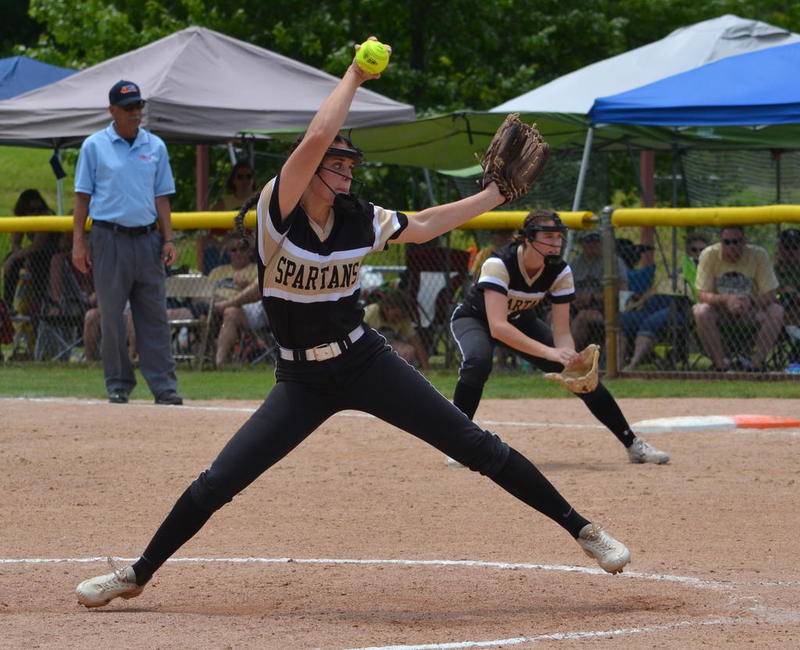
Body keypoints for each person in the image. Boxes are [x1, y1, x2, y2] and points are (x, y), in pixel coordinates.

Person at [75, 39, 631, 609]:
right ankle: (138, 573)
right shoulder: (276, 216)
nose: (344, 172)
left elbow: (427, 224)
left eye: (348, 166)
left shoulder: (360, 220)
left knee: (474, 445)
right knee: (220, 481)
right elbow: (316, 137)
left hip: (364, 361)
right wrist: (354, 76)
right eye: (334, 165)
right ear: (307, 171)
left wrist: (492, 193)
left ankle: (584, 529)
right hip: (300, 382)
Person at [450, 209, 670, 466]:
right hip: (476, 320)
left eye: (558, 237)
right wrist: (549, 352)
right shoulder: (499, 263)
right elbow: (498, 327)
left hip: (522, 321)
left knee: (580, 375)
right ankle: (457, 443)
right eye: (548, 236)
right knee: (478, 362)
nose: (556, 243)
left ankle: (633, 444)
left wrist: (568, 355)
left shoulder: (559, 271)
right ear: (528, 238)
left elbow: (563, 331)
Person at [71, 80, 182, 405]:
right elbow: (82, 198)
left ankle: (164, 386)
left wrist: (168, 238)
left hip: (148, 239)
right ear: (112, 111)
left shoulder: (155, 146)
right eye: (129, 108)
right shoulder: (94, 146)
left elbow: (162, 197)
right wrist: (79, 242)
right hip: (109, 238)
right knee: (111, 316)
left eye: (139, 107)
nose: (136, 114)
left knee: (155, 316)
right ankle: (118, 383)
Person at [692, 226, 784, 372]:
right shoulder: (709, 254)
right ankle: (721, 366)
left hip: (751, 312)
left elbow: (771, 293)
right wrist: (726, 299)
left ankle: (755, 366)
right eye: (726, 242)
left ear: (744, 241)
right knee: (700, 310)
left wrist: (751, 301)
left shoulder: (758, 254)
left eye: (736, 241)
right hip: (720, 311)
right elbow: (702, 294)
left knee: (777, 310)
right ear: (720, 242)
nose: (732, 246)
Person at [621, 234, 707, 372]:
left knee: (651, 322)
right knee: (624, 320)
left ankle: (632, 365)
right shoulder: (679, 264)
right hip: (655, 302)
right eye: (693, 250)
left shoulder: (707, 269)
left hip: (679, 305)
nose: (697, 254)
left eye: (701, 250)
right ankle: (615, 367)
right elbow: (656, 287)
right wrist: (639, 302)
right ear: (688, 251)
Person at [569, 230, 628, 351]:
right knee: (553, 316)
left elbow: (622, 291)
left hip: (605, 309)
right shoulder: (575, 264)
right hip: (577, 306)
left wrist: (594, 297)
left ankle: (567, 359)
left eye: (596, 240)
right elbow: (565, 290)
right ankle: (548, 356)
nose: (592, 244)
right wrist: (575, 299)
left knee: (583, 317)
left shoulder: (614, 262)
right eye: (588, 241)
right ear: (582, 243)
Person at [196, 161, 258, 274]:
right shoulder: (223, 204)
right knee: (202, 240)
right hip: (229, 241)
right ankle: (203, 276)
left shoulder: (261, 199)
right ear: (233, 180)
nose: (245, 180)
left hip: (252, 241)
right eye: (240, 177)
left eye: (249, 176)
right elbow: (211, 232)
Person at [363, 286, 429, 370]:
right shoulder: (370, 312)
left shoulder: (403, 319)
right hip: (368, 345)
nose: (398, 320)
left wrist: (426, 368)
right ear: (386, 308)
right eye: (396, 315)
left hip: (388, 345)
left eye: (401, 317)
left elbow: (416, 343)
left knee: (408, 351)